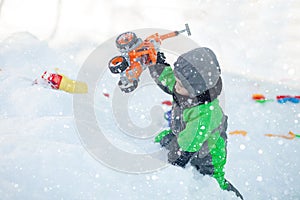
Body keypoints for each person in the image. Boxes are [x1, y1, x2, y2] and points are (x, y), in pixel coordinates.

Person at [148, 47, 243, 199]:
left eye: (181, 84)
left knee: (211, 182)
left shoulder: (205, 113)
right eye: (177, 79)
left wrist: (173, 160)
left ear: (197, 90)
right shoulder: (185, 88)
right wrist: (156, 63)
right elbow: (168, 79)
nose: (176, 85)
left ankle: (230, 195)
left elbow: (190, 143)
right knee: (170, 140)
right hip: (184, 135)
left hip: (208, 155)